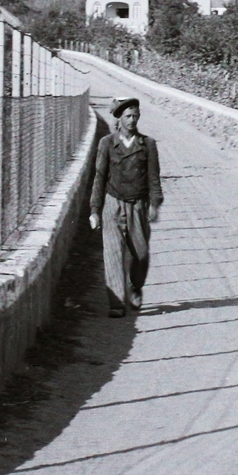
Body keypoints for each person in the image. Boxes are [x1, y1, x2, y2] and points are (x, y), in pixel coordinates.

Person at [89, 98, 162, 316]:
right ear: (119, 118)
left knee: (141, 254)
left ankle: (135, 286)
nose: (132, 120)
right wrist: (95, 210)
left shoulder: (147, 144)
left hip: (138, 205)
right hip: (113, 203)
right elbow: (99, 178)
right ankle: (117, 303)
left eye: (136, 116)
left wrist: (154, 204)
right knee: (112, 253)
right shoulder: (107, 144)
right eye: (128, 116)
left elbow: (154, 178)